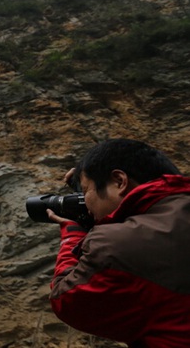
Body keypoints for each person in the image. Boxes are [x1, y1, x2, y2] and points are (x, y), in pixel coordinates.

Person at [47, 138, 190, 347]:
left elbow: (66, 300)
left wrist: (72, 235)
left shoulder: (112, 245)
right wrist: (90, 181)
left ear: (119, 181)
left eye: (85, 192)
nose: (86, 205)